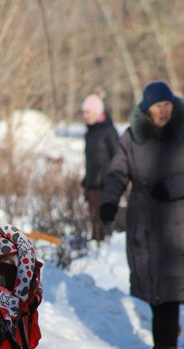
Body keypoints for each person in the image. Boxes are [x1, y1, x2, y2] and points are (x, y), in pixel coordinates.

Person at [98, 81, 184, 349]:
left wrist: (174, 186)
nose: (163, 111)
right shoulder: (131, 137)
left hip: (177, 215)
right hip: (143, 217)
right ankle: (168, 329)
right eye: (157, 106)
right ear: (146, 110)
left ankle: (164, 339)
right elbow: (116, 172)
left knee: (170, 279)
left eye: (166, 105)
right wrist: (109, 201)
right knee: (148, 277)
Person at [81, 93, 120, 242]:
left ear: (97, 112)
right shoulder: (90, 132)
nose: (85, 115)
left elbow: (118, 157)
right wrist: (87, 179)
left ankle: (106, 243)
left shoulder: (108, 131)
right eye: (83, 112)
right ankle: (96, 243)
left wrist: (112, 179)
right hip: (92, 184)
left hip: (105, 184)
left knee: (103, 217)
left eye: (87, 112)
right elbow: (91, 160)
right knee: (93, 218)